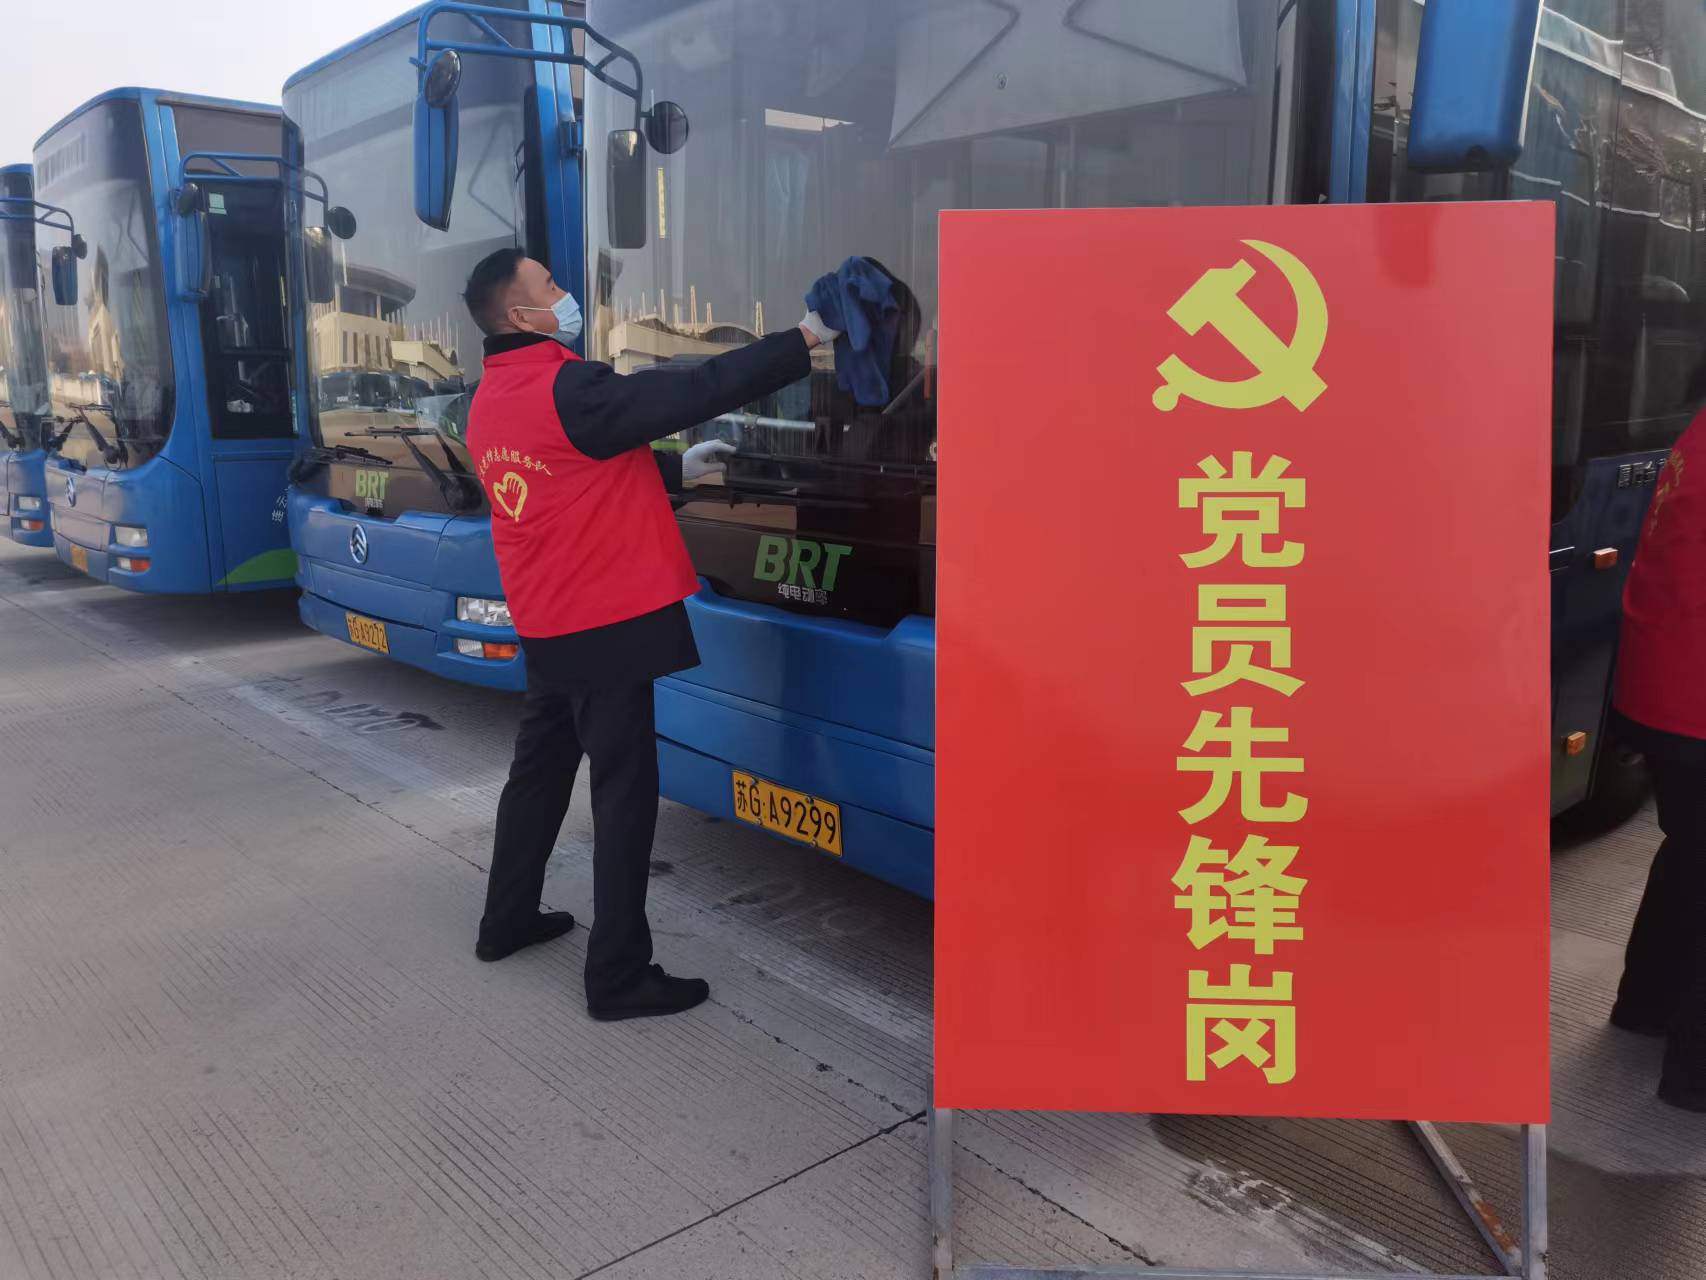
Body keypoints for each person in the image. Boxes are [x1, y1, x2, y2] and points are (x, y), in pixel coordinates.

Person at [458, 248, 838, 1021]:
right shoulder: (568, 386)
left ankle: (506, 920)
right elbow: (694, 389)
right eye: (549, 286)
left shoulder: (491, 396)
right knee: (625, 795)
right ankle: (618, 976)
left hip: (549, 625)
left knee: (537, 778)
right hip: (602, 623)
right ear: (520, 314)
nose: (564, 293)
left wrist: (674, 470)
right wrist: (803, 338)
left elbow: (570, 468)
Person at [1608, 404, 1706, 1110]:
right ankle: (1694, 1081)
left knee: (1690, 855)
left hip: (1663, 688)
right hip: (1695, 696)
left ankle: (1643, 1008)